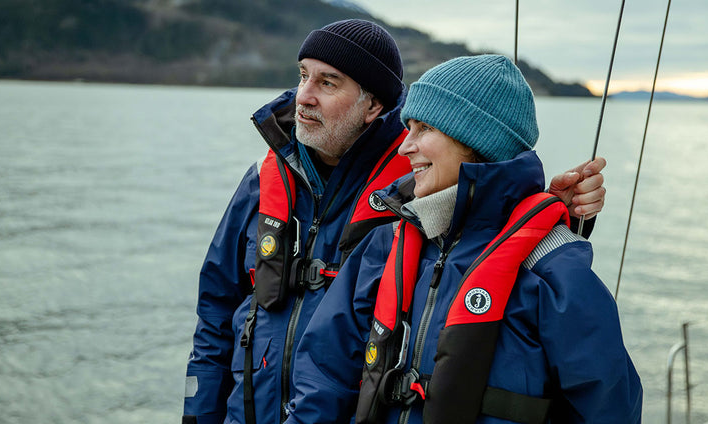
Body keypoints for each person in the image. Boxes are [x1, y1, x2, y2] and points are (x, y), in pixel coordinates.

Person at [182, 19, 609, 424]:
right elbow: (216, 313)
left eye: (327, 82)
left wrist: (556, 210)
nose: (303, 96)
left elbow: (487, 193)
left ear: (373, 106)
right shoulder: (264, 181)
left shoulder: (411, 200)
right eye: (302, 76)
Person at [285, 55, 641, 424]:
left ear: (476, 143)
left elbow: (609, 409)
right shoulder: (382, 247)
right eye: (408, 128)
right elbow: (322, 379)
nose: (405, 147)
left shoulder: (552, 268)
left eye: (424, 129)